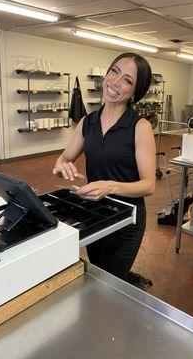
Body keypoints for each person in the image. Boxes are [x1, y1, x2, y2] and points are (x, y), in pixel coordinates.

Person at [53, 52, 156, 281]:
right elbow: (64, 158)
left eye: (127, 80)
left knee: (109, 282)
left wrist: (110, 186)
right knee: (98, 273)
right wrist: (61, 166)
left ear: (135, 93)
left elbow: (149, 185)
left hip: (127, 217)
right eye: (114, 72)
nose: (115, 82)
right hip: (95, 213)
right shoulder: (87, 122)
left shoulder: (140, 127)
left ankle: (128, 283)